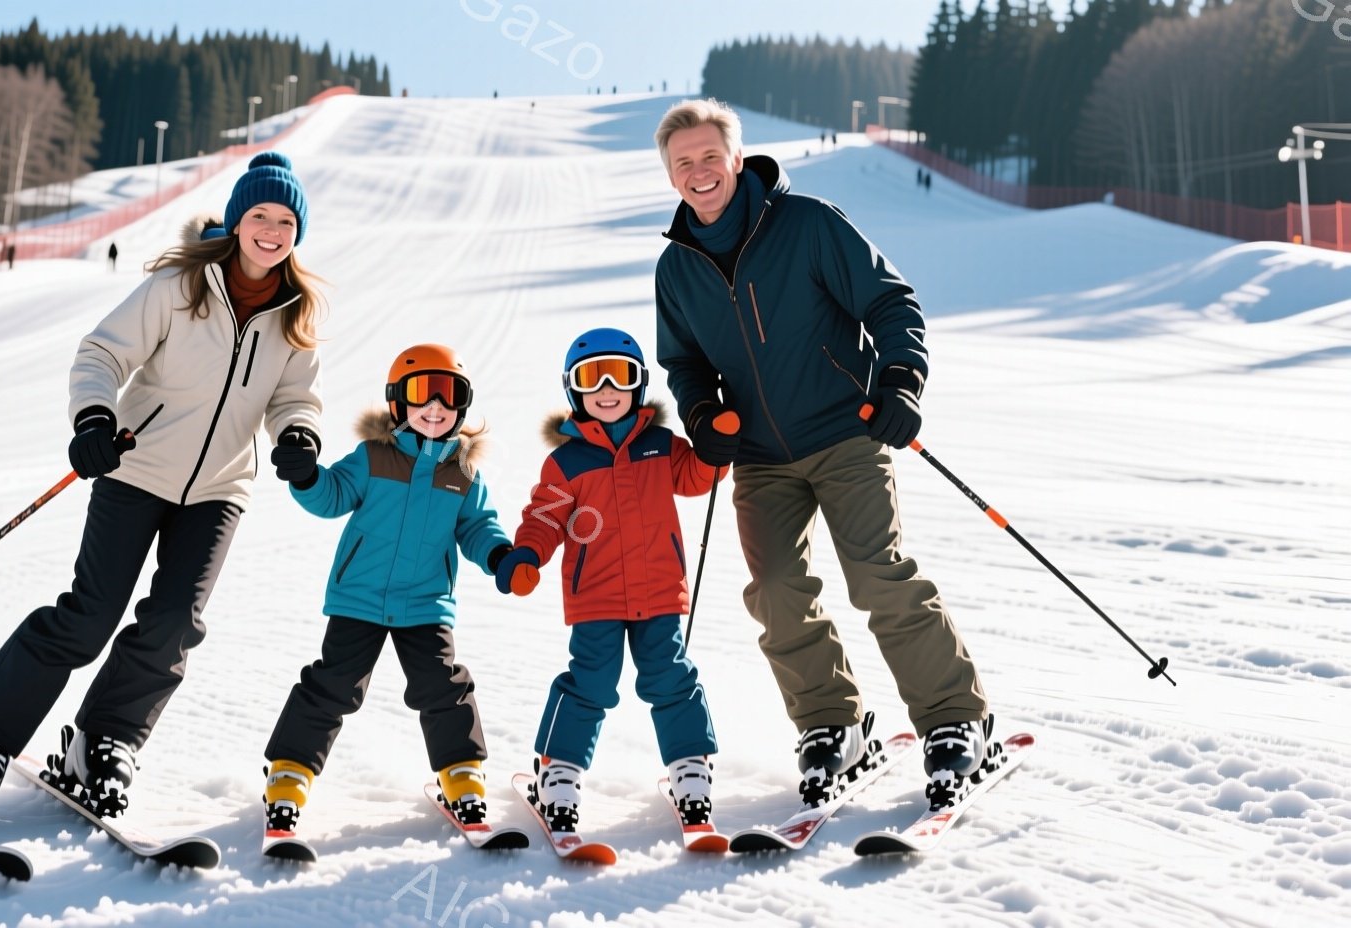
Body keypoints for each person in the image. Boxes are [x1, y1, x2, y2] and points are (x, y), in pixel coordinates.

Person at [0, 151, 325, 826]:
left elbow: (297, 396)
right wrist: (94, 418)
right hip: (136, 470)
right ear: (236, 221)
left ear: (297, 233)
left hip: (219, 490)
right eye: (259, 214)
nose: (271, 229)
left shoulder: (296, 314)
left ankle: (103, 740)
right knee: (88, 617)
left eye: (285, 220)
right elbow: (102, 353)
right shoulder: (182, 286)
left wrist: (298, 436)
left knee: (175, 623)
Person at [650, 98, 991, 796]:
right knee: (775, 592)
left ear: (735, 159)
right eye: (684, 163)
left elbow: (891, 302)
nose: (699, 172)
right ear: (670, 176)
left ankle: (956, 720)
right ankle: (834, 726)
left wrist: (899, 381)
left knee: (878, 576)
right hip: (760, 458)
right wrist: (703, 412)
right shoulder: (676, 268)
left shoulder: (806, 224)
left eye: (710, 156)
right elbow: (683, 363)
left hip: (846, 432)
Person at [261, 345, 512, 836]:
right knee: (333, 685)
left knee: (443, 687)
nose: (436, 407)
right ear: (398, 403)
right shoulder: (373, 457)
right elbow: (332, 496)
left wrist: (501, 556)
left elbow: (478, 528)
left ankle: (461, 775)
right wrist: (306, 475)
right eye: (422, 394)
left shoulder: (462, 474)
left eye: (450, 396)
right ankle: (289, 775)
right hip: (360, 597)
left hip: (425, 603)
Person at [494, 328, 733, 834]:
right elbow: (545, 517)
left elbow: (695, 478)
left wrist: (715, 446)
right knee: (590, 683)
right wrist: (527, 555)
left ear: (639, 384)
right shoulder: (568, 461)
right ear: (573, 389)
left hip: (660, 590)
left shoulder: (659, 445)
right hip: (596, 596)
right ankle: (557, 774)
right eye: (591, 377)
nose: (606, 388)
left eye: (620, 376)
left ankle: (691, 768)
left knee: (669, 676)